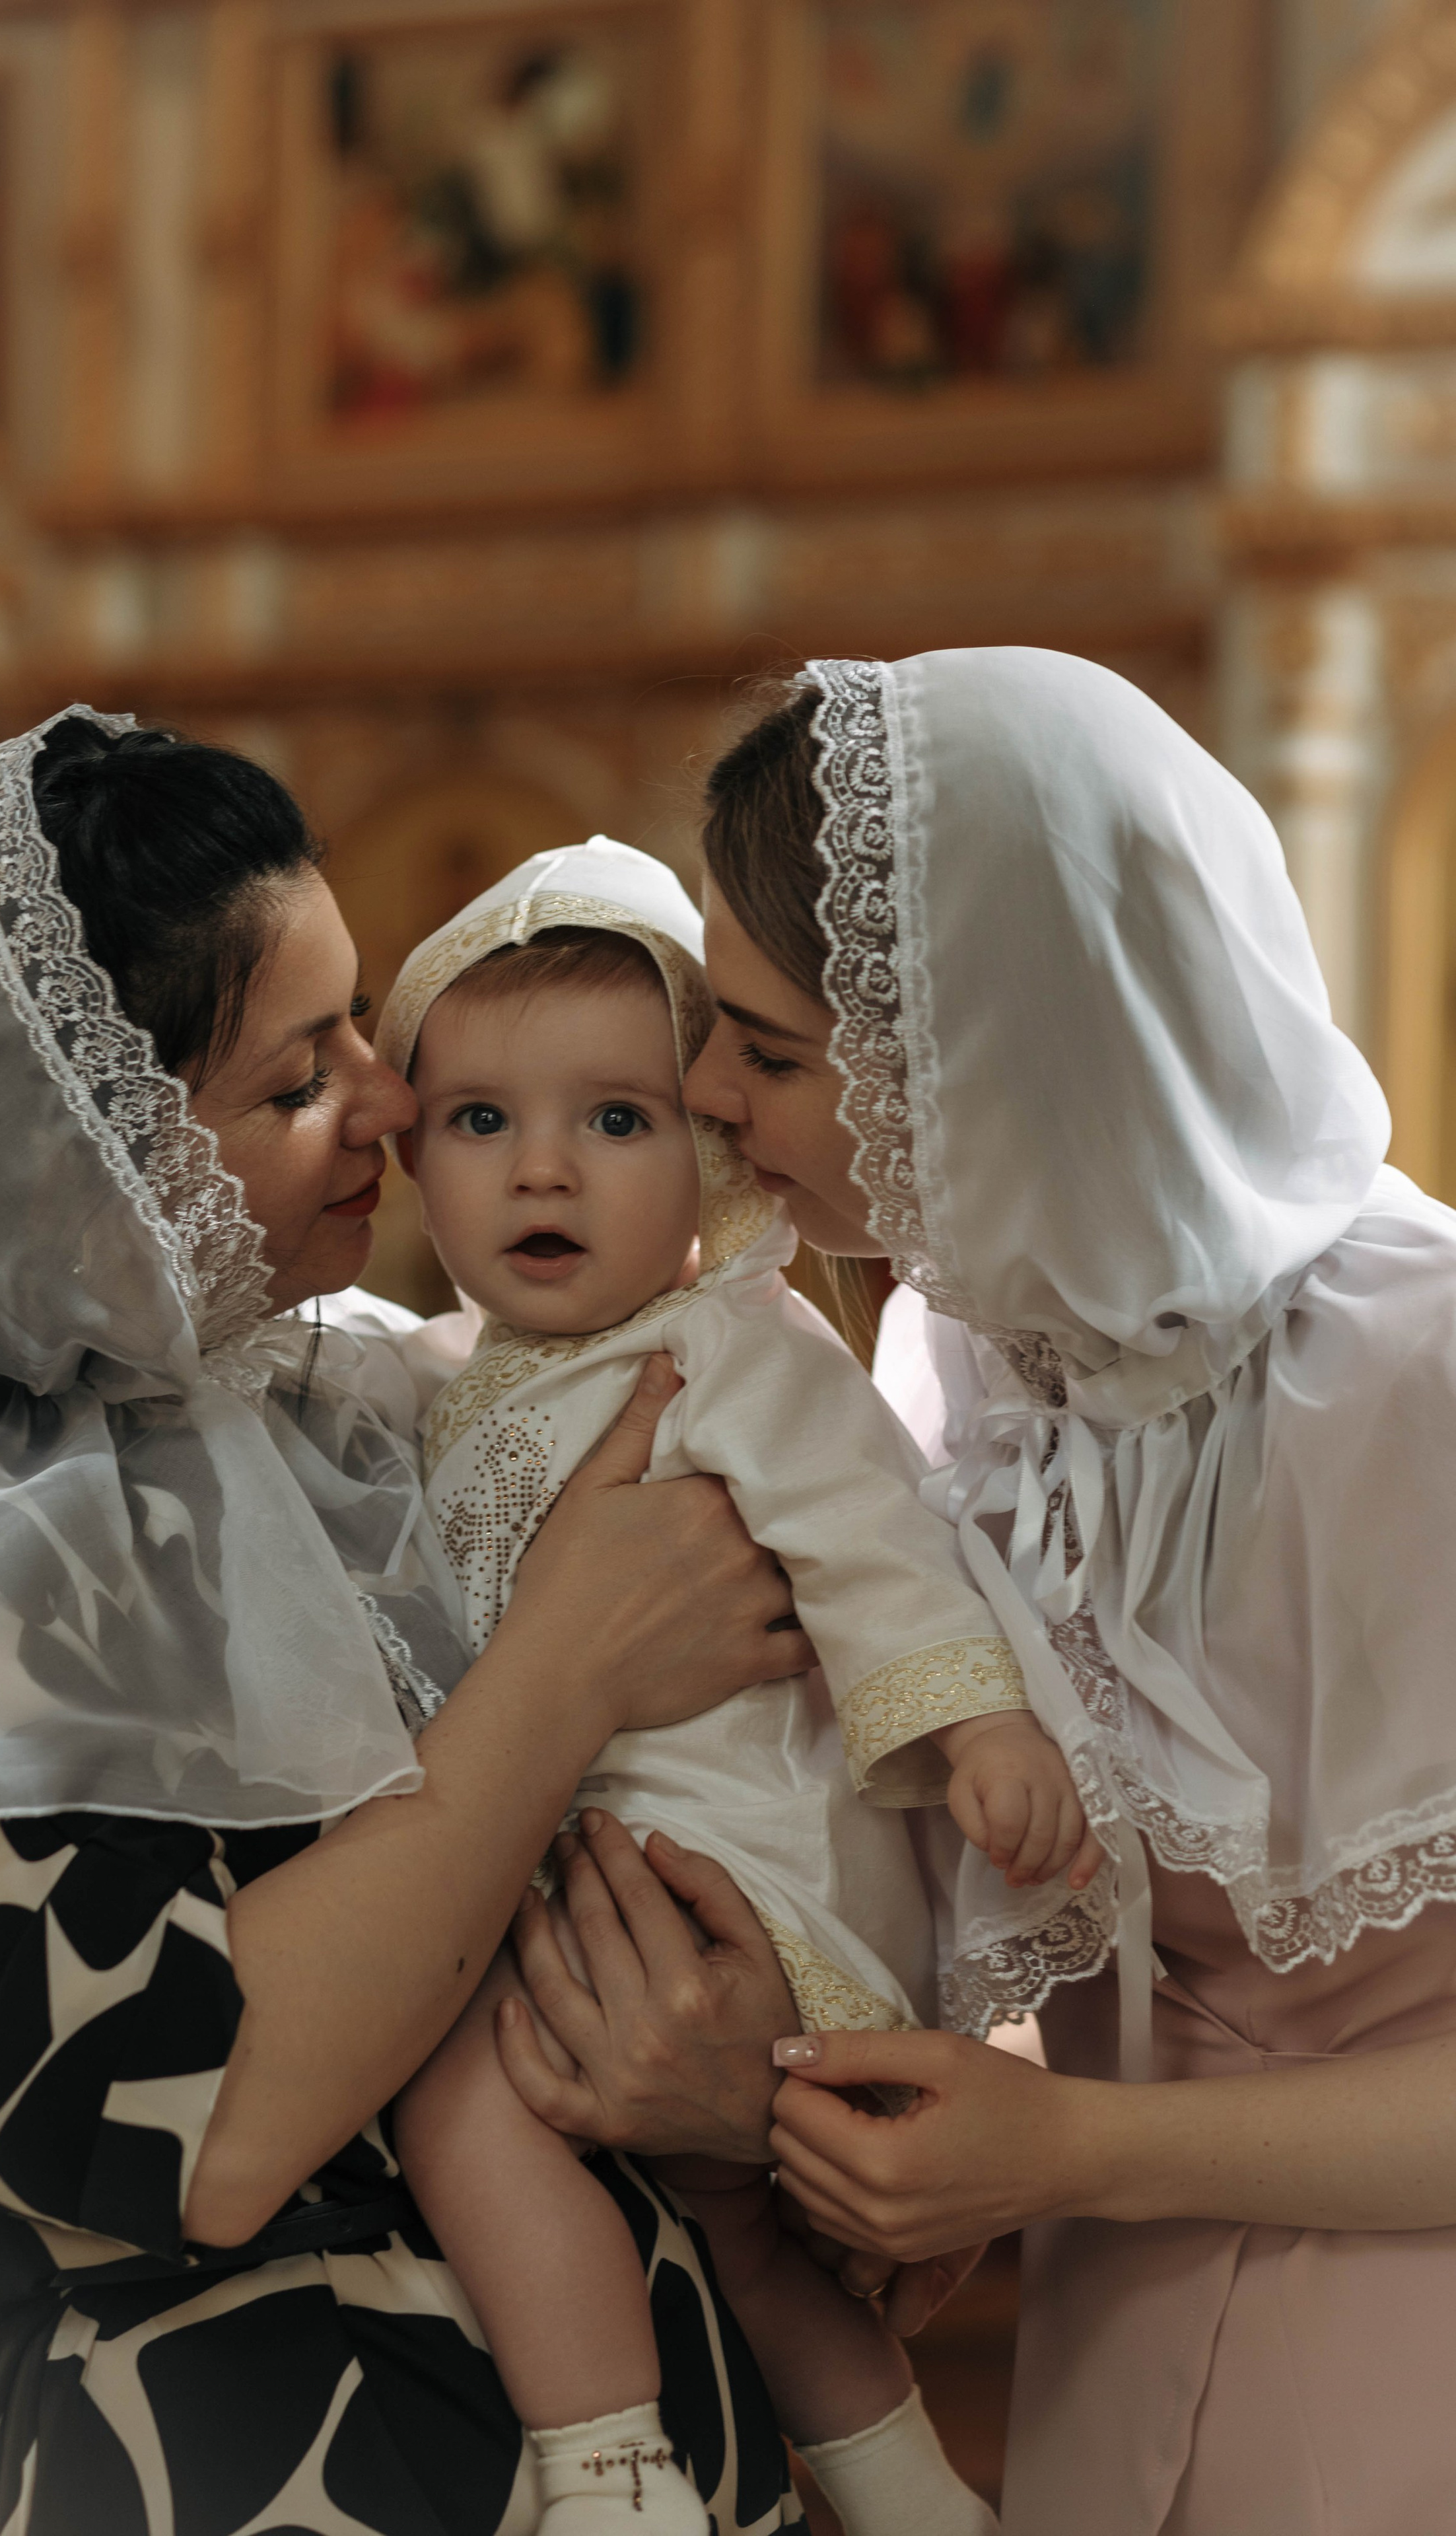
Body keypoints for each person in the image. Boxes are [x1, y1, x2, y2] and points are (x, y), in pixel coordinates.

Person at [0, 706, 828, 2535]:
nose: (400, 1100)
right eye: (300, 1078)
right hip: (240, 2469)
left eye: (361, 1025)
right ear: (78, 1156)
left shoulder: (366, 1400)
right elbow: (208, 2127)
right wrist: (565, 1664)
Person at [534, 645, 1456, 2536]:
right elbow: (1060, 1913)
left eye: (771, 1052)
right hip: (1113, 2351)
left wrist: (1082, 2146)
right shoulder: (963, 1356)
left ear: (1007, 1045)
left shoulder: (1426, 1381)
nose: (706, 1092)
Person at [373, 839, 1095, 2535]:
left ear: (710, 1155)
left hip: (728, 1878)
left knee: (451, 2077)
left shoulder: (731, 1348)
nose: (540, 1171)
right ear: (412, 1149)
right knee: (749, 2246)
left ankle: (604, 2455)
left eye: (613, 1122)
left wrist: (976, 1721)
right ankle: (911, 2488)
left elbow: (868, 1538)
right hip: (595, 1875)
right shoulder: (430, 1377)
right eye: (480, 1122)